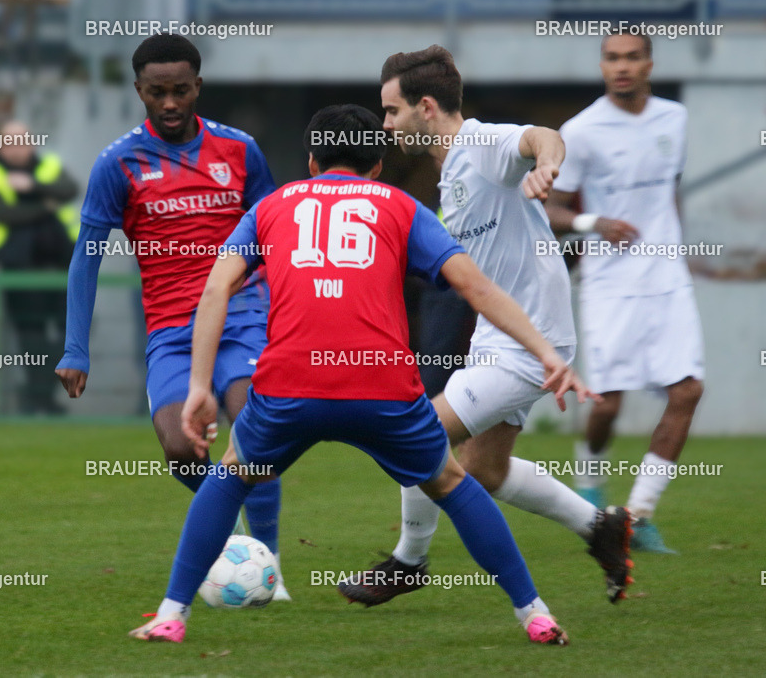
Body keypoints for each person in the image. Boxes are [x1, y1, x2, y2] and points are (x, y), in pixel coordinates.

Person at [129, 104, 591, 645]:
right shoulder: (402, 206)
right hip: (380, 388)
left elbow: (215, 290)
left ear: (310, 160)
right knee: (449, 482)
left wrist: (200, 388)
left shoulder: (272, 207)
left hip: (289, 384)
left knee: (230, 475)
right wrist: (546, 352)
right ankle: (534, 614)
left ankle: (171, 615)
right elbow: (478, 288)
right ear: (377, 164)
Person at [338, 45, 633, 608]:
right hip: (500, 339)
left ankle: (409, 561)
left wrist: (547, 163)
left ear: (426, 107)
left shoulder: (480, 145)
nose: (386, 123)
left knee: (418, 434)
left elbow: (538, 137)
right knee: (486, 469)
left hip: (530, 342)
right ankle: (601, 528)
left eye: (392, 110)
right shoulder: (450, 172)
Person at [53, 34, 288, 594]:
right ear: (139, 91)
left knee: (254, 432)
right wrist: (75, 347)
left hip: (243, 317)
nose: (170, 103)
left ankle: (268, 562)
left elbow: (277, 235)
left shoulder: (239, 150)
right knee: (181, 450)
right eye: (157, 92)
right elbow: (86, 257)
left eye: (180, 90)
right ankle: (229, 531)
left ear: (197, 86)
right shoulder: (117, 163)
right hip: (172, 331)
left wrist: (287, 316)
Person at [545, 33, 704, 554]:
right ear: (602, 66)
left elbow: (667, 190)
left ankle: (638, 515)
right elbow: (551, 209)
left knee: (686, 391)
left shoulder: (674, 119)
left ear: (649, 63)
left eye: (632, 57)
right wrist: (594, 222)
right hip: (610, 283)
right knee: (608, 404)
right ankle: (589, 484)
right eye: (612, 58)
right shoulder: (582, 131)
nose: (622, 66)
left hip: (667, 280)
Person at [0, 120, 79, 415]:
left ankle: (44, 394)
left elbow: (69, 189)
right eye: (8, 142)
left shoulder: (49, 165)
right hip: (19, 270)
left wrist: (34, 187)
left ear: (32, 142)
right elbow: (2, 213)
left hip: (63, 268)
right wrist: (44, 205)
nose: (15, 148)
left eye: (20, 140)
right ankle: (38, 398)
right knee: (30, 336)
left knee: (68, 336)